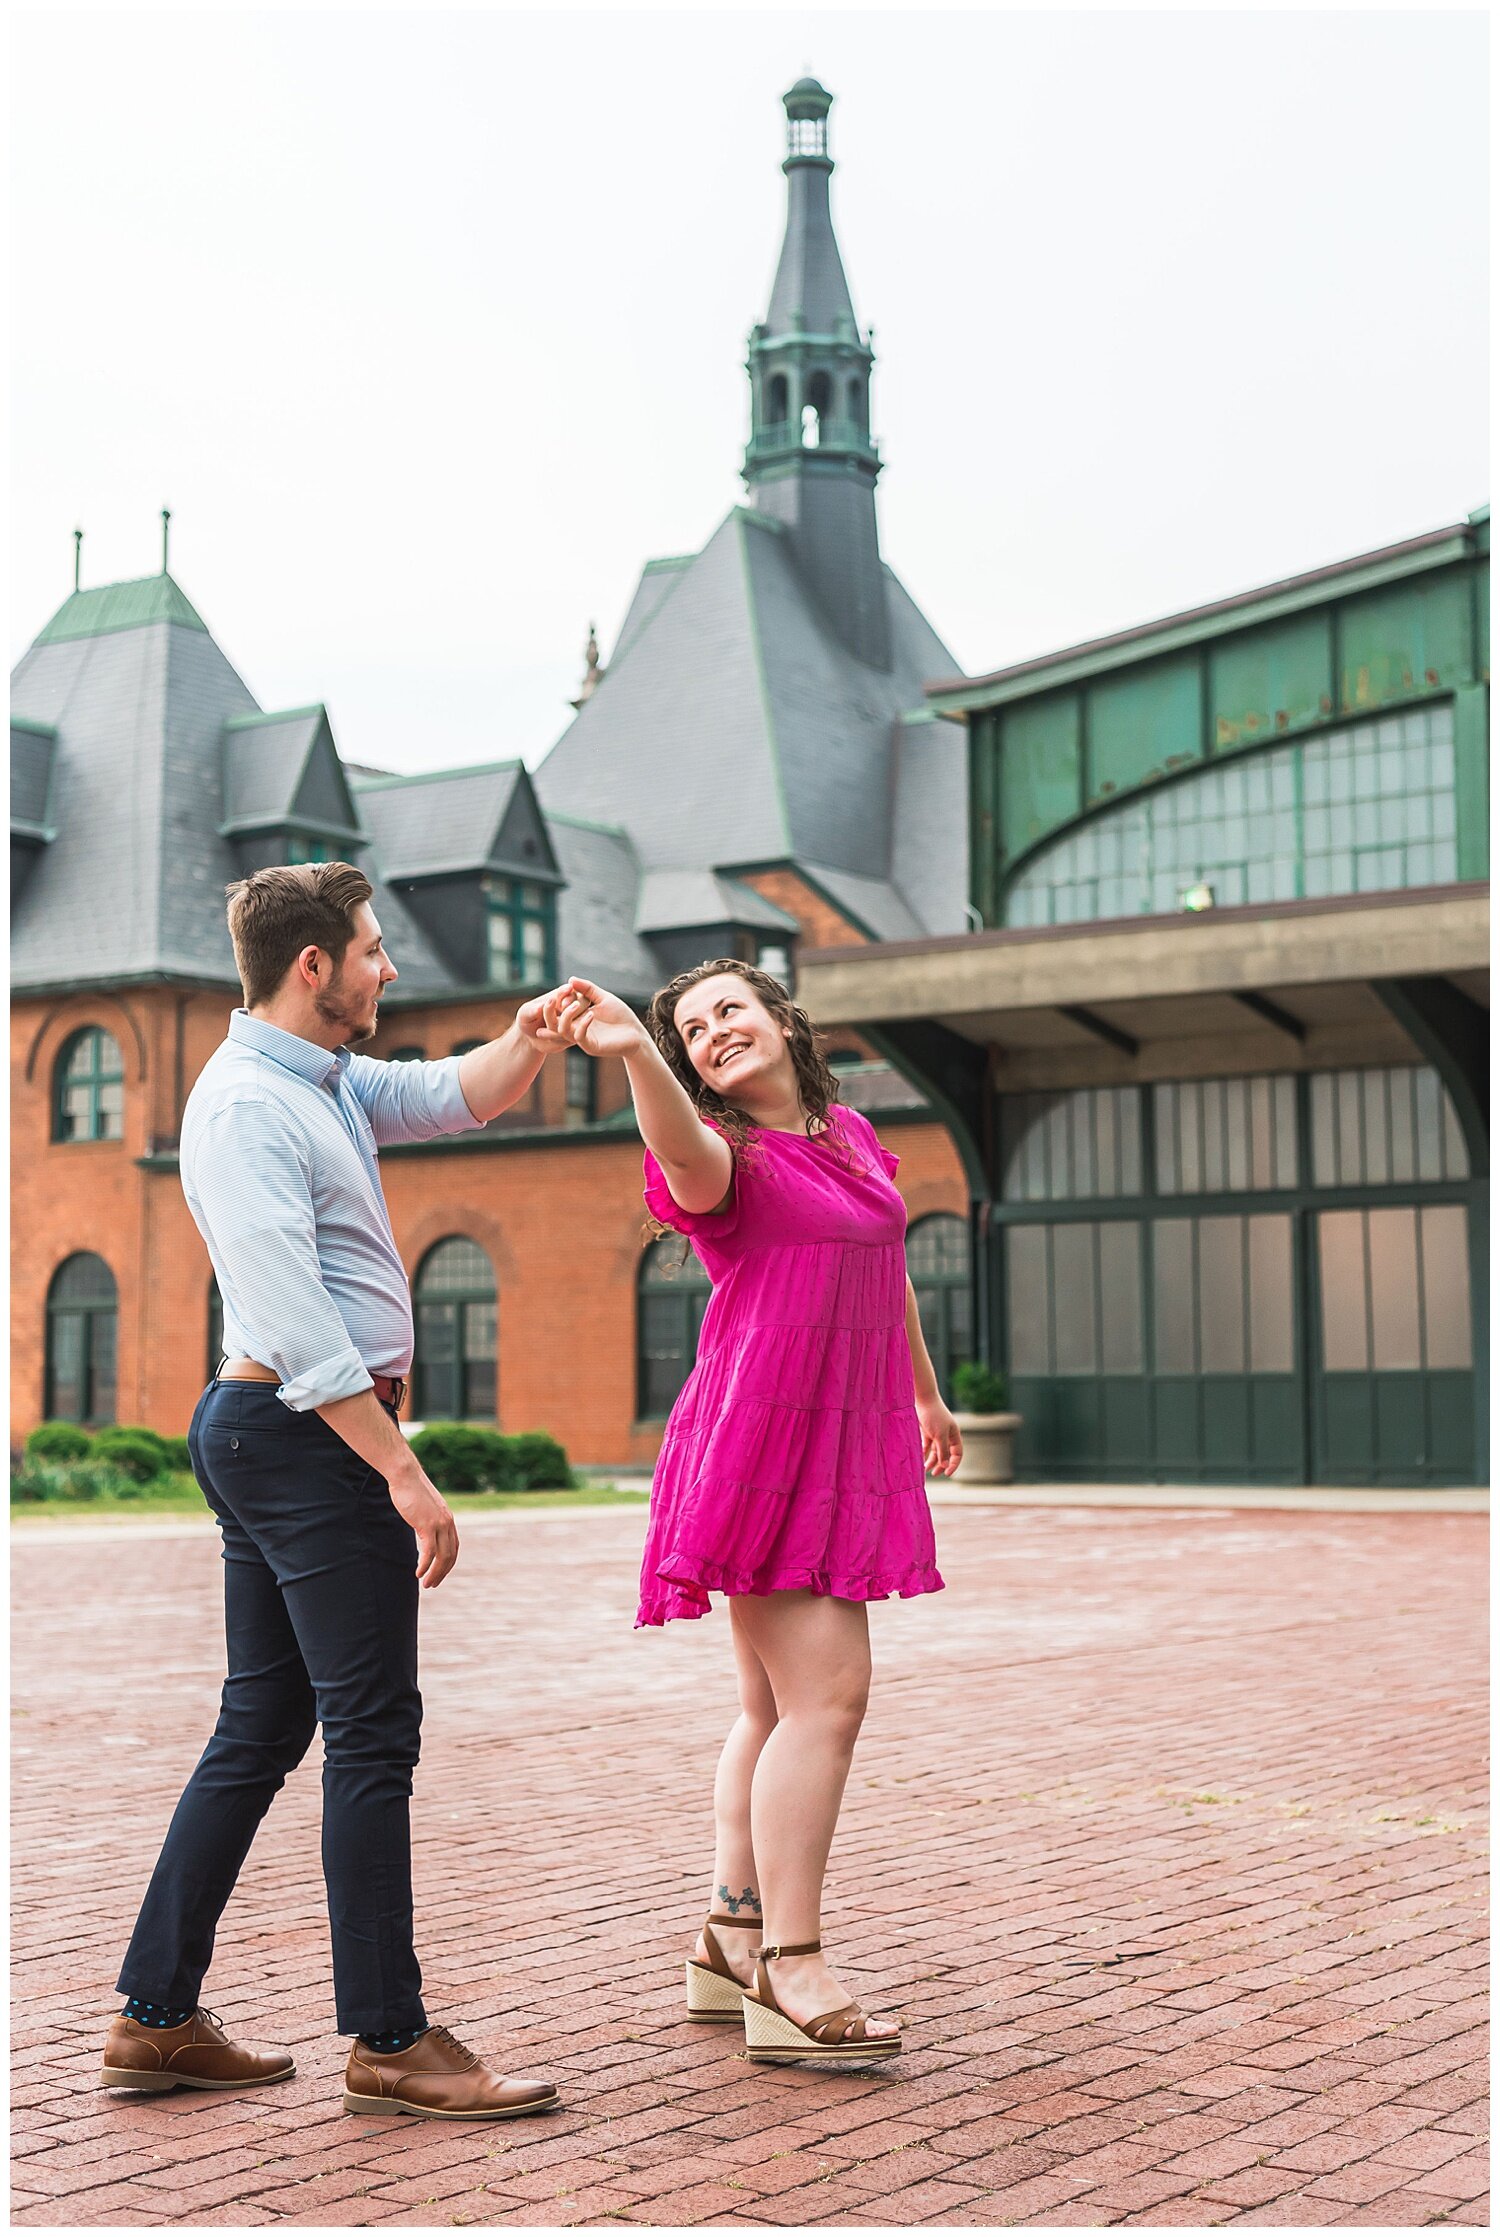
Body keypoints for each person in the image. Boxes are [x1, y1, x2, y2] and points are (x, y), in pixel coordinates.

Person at [102, 862, 559, 2122]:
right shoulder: (246, 1105)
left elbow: (453, 1094)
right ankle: (391, 2037)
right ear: (314, 966)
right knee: (372, 1731)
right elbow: (302, 1322)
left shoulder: (328, 1080)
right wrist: (404, 1473)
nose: (387, 968)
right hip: (299, 1432)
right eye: (370, 949)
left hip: (279, 1432)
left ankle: (157, 2018)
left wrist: (532, 1031)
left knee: (262, 1725)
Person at [543, 959, 961, 2064]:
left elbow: (887, 1263)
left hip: (838, 1437)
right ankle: (793, 1961)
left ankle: (732, 1934)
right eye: (693, 1026)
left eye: (733, 1006)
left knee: (776, 1706)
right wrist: (635, 1052)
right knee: (831, 1698)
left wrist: (922, 1387)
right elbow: (678, 1144)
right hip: (762, 1442)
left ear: (780, 1019)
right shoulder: (722, 1156)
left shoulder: (852, 1134)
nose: (717, 1027)